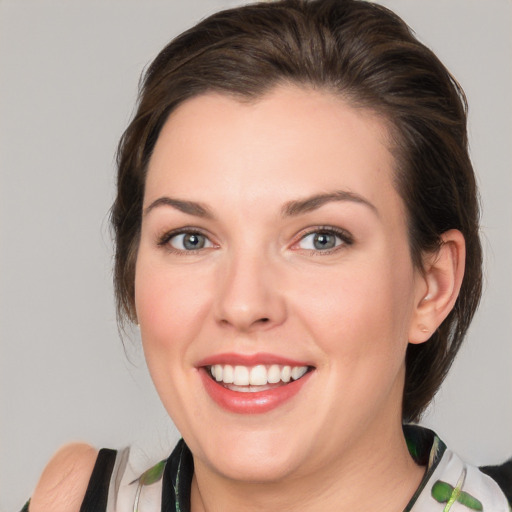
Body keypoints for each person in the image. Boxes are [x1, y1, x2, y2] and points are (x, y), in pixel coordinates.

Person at [25, 0, 511, 510]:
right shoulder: (68, 497)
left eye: (322, 238)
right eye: (191, 238)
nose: (242, 303)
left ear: (431, 286)